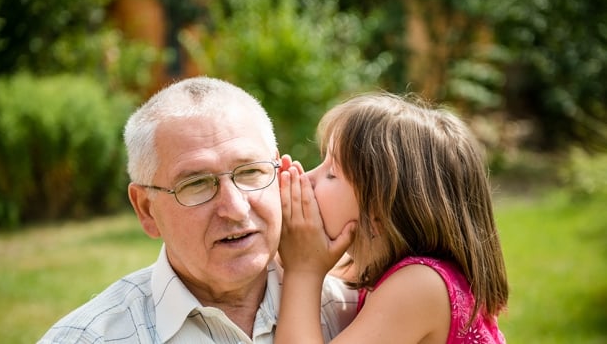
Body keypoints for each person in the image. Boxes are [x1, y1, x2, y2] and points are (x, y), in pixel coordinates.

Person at [38, 76, 357, 343]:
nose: (234, 208)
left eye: (249, 173)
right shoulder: (88, 338)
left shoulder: (352, 309)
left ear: (280, 174)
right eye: (197, 184)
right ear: (147, 210)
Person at [275, 92, 509, 344]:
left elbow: (304, 263)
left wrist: (303, 271)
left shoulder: (419, 286)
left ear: (379, 210)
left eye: (331, 173)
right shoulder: (380, 265)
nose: (307, 178)